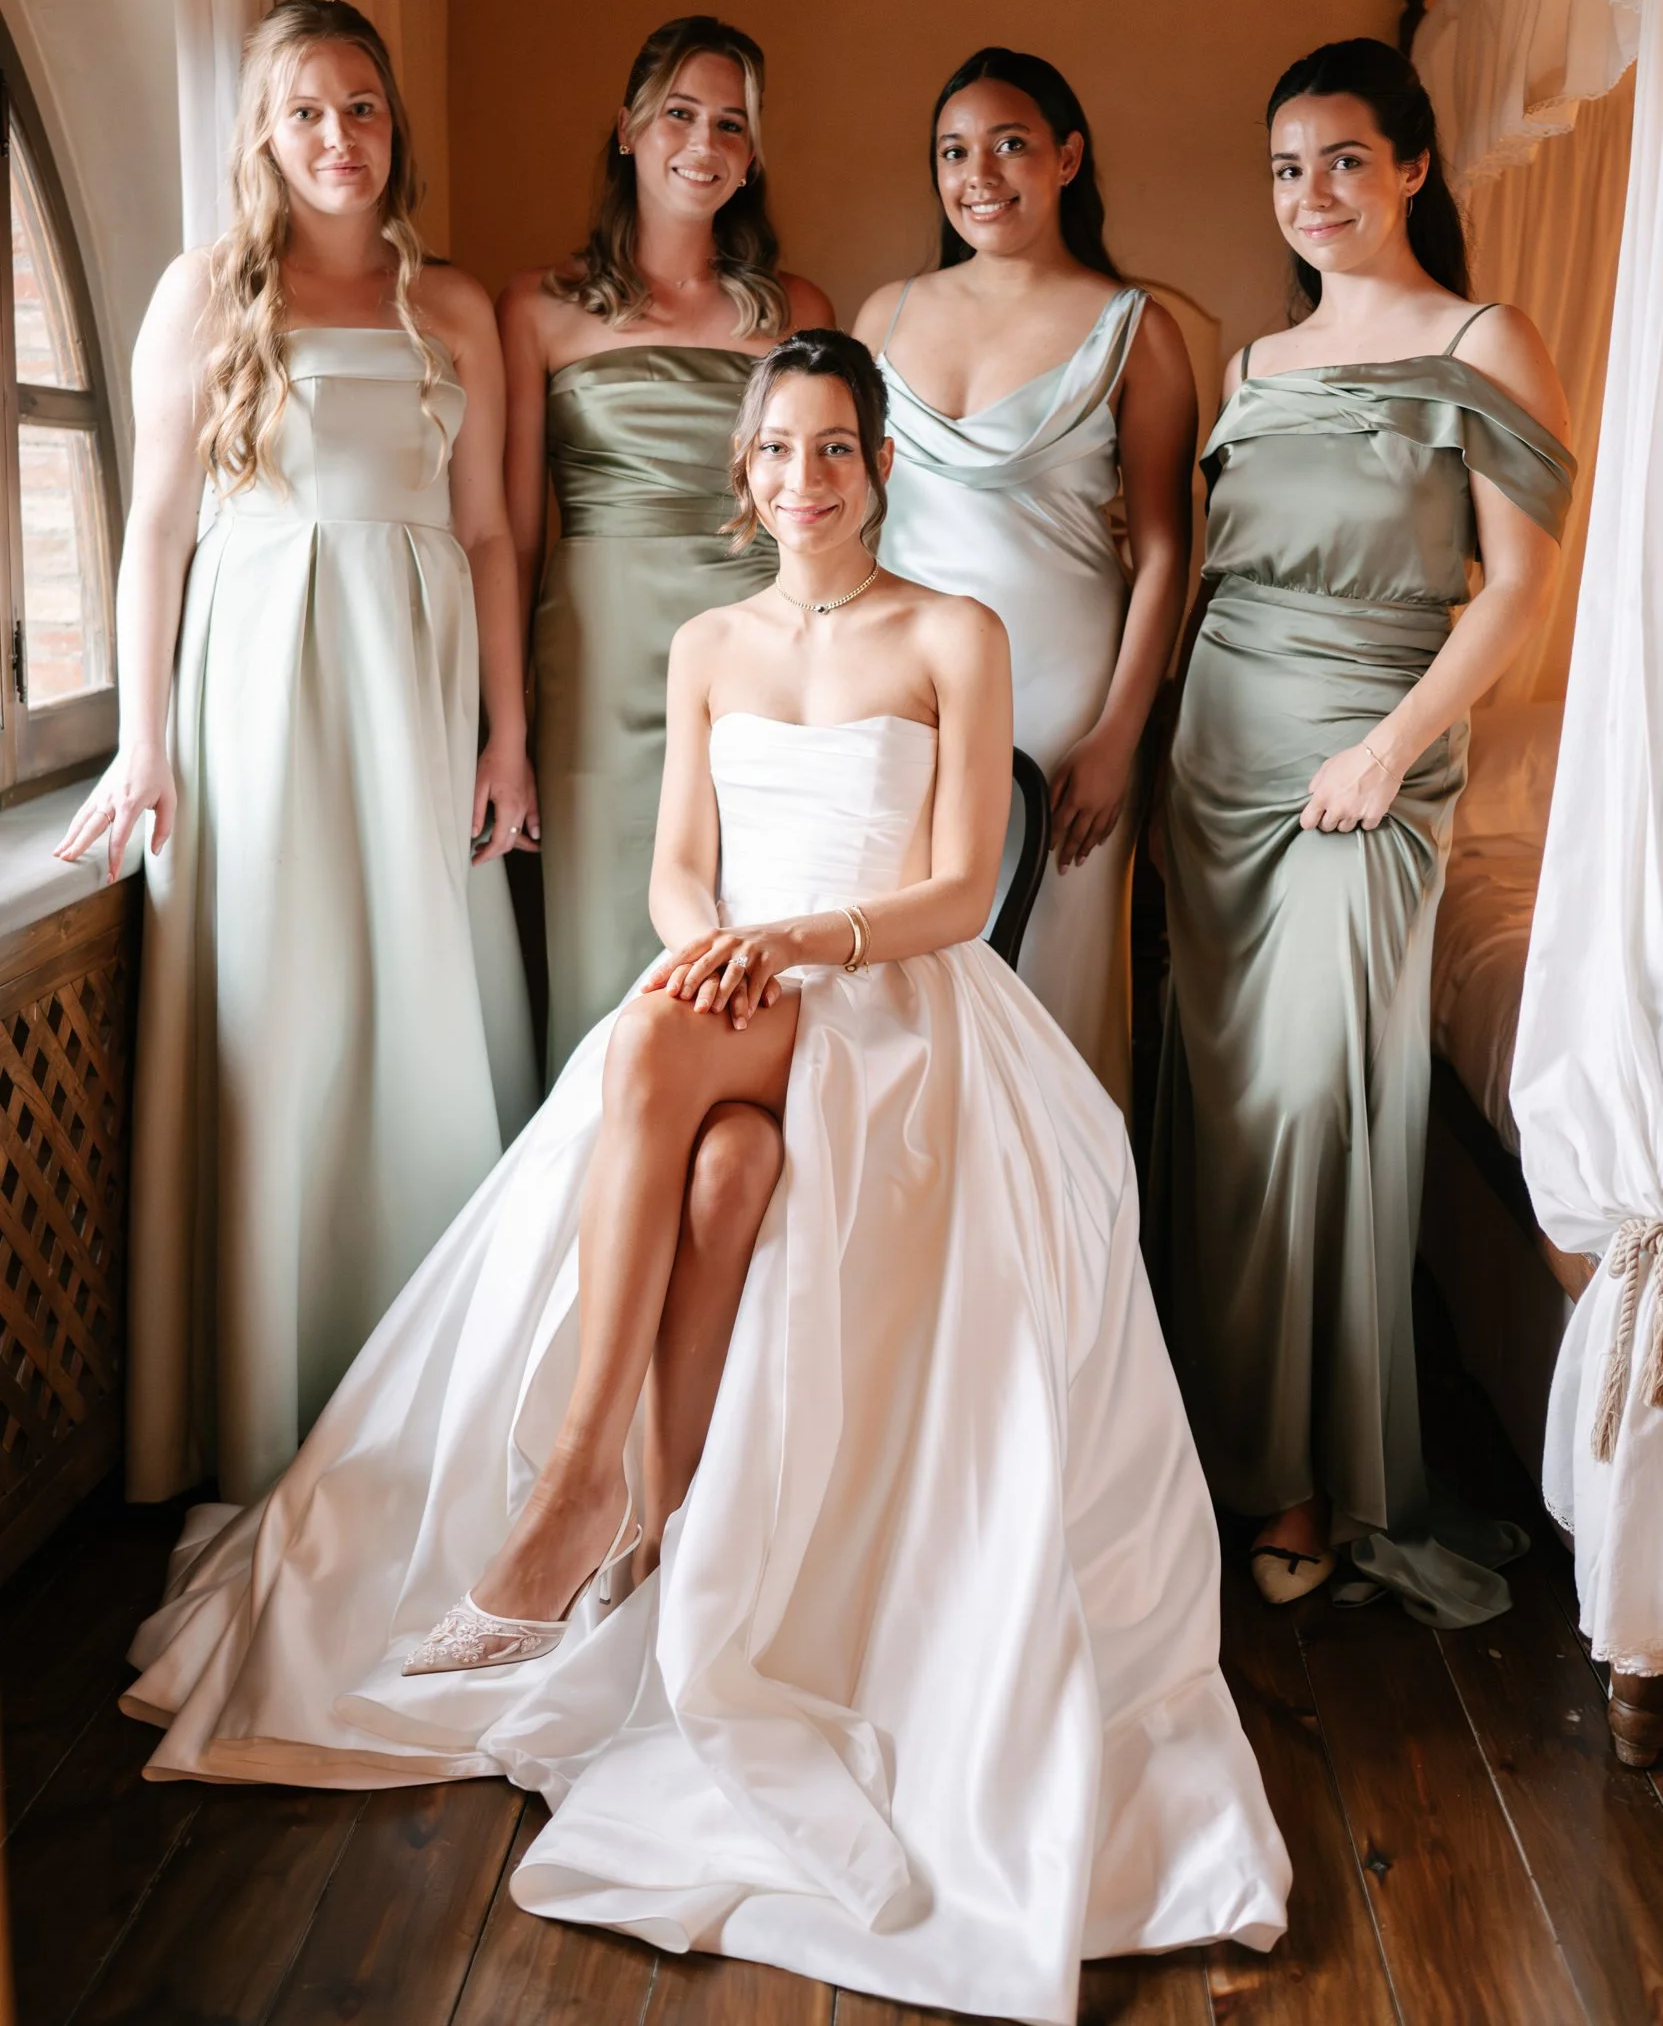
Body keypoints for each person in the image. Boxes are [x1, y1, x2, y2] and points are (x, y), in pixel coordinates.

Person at [123, 331, 1289, 2025]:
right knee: (723, 1164)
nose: (804, 480)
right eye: (777, 455)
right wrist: (716, 953)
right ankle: (628, 1494)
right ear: (741, 481)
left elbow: (961, 889)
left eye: (834, 450)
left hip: (892, 994)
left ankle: (581, 1478)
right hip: (742, 991)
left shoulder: (949, 636)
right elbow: (678, 871)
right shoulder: (706, 644)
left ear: (876, 467)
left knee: (664, 1060)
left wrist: (788, 948)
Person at [59, 0, 539, 1506]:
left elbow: (489, 535)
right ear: (264, 135)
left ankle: (439, 1409)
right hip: (255, 692)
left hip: (416, 684)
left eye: (366, 109)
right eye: (309, 113)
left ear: (395, 126)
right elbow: (149, 536)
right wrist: (143, 745)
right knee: (285, 1016)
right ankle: (261, 1417)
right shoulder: (204, 293)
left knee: (421, 1008)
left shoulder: (454, 306)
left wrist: (507, 737)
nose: (342, 140)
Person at [1146, 38, 1573, 1623]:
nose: (1309, 193)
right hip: (1219, 761)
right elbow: (1200, 581)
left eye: (1340, 158)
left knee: (1323, 1099)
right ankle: (1229, 1454)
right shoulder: (1250, 365)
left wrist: (1391, 748)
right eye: (1282, 167)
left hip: (1373, 755)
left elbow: (1519, 592)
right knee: (1226, 1102)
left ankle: (1324, 1476)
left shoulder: (1482, 339)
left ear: (1408, 168)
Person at [855, 47, 1195, 1106]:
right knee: (902, 973)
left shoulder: (1136, 329)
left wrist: (1115, 736)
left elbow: (1166, 549)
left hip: (1064, 695)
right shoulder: (884, 316)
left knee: (1050, 978)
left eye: (1010, 144)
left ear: (1067, 158)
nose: (980, 174)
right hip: (905, 691)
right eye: (953, 151)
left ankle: (1060, 1252)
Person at [500, 14, 832, 1076]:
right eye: (680, 113)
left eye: (731, 123)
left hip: (761, 657)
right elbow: (509, 532)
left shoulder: (798, 311)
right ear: (627, 130)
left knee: (751, 948)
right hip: (596, 662)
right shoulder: (539, 309)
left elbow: (833, 507)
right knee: (607, 949)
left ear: (753, 155)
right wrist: (505, 729)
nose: (704, 142)